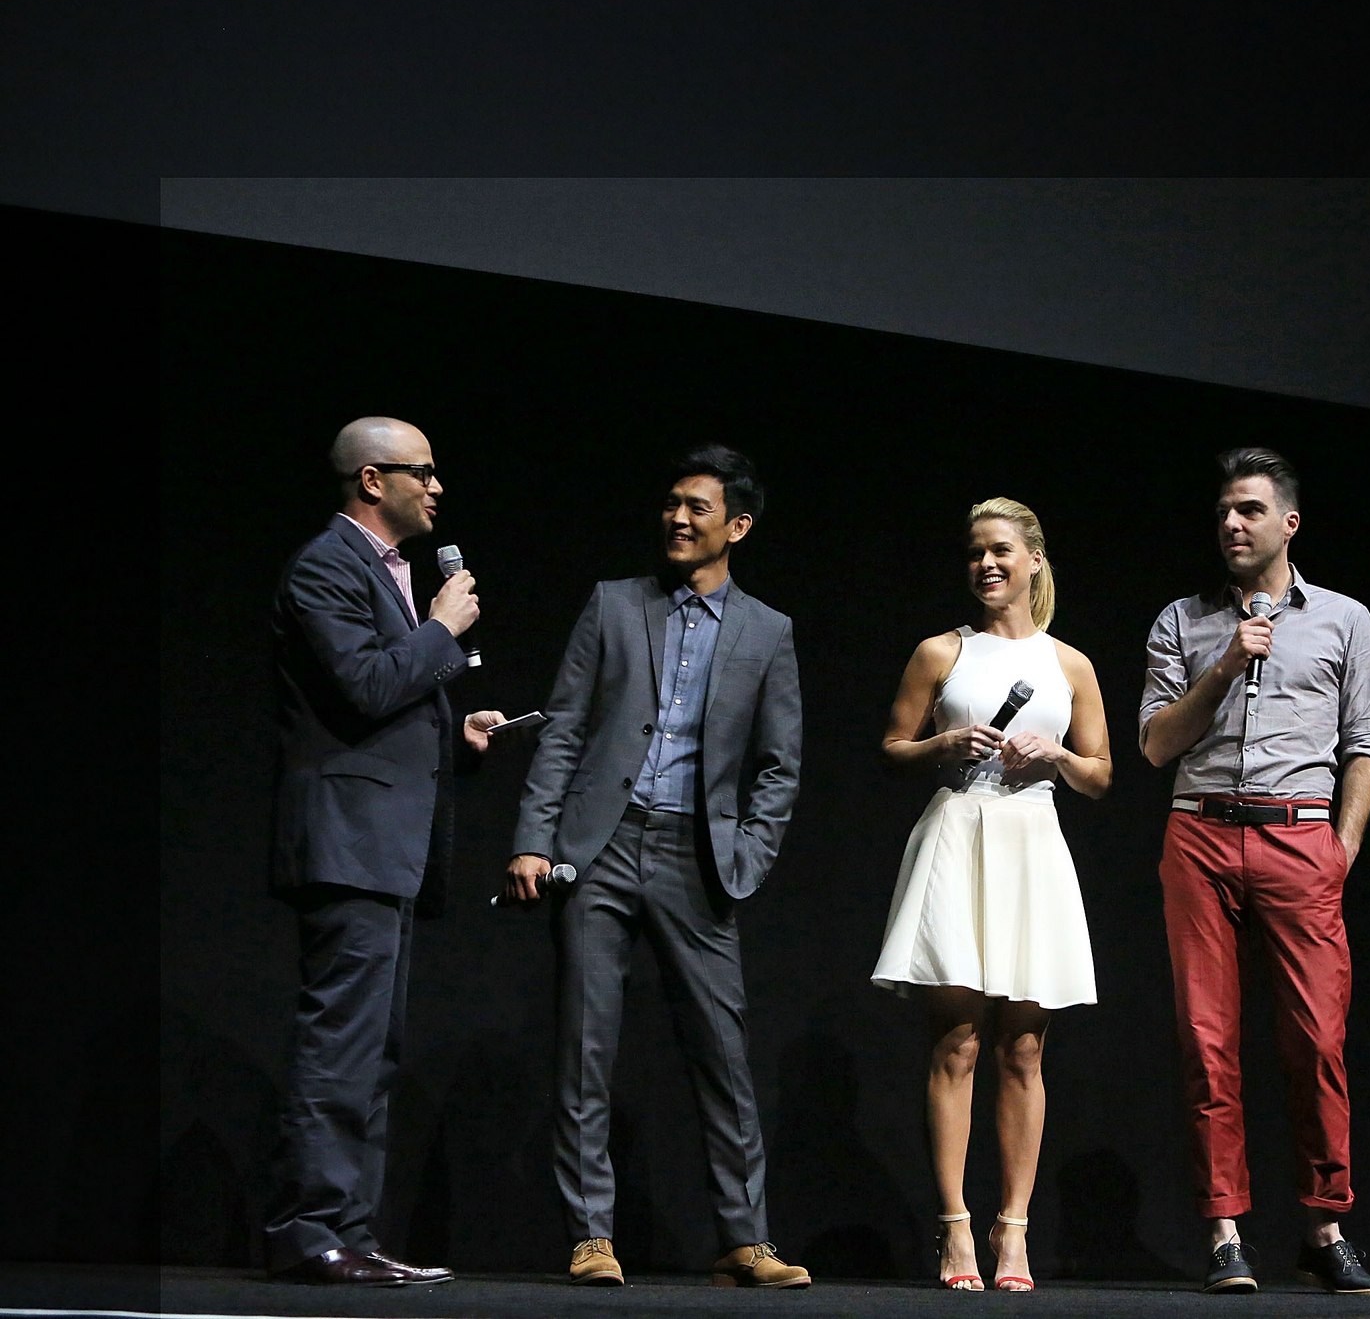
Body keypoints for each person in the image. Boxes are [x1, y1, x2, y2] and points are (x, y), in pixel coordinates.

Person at [503, 443, 810, 1290]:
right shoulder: (614, 604)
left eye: (696, 507)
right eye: (671, 503)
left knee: (722, 1050)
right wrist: (534, 836)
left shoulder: (767, 630)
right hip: (598, 847)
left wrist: (747, 853)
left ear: (737, 526)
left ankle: (745, 1237)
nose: (677, 518)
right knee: (586, 1045)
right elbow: (564, 727)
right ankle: (590, 1235)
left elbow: (780, 764)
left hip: (696, 854)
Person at [1137, 447, 1370, 1297]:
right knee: (1208, 1041)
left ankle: (1325, 1227)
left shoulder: (1345, 619)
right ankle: (1224, 1232)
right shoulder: (1182, 620)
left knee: (1317, 1039)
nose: (1231, 523)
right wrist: (1225, 663)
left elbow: (1367, 742)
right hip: (1201, 833)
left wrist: (1341, 846)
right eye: (1223, 511)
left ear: (1289, 522)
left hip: (1299, 838)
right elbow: (1155, 744)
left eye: (1248, 509)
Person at [265, 416, 505, 1285]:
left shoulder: (384, 568)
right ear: (373, 480)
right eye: (422, 471)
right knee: (341, 1044)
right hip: (348, 843)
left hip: (384, 847)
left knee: (372, 1051)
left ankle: (349, 1231)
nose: (437, 487)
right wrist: (441, 629)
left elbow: (384, 700)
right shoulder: (326, 566)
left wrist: (454, 733)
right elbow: (365, 686)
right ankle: (309, 1229)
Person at [870, 497, 1112, 1293]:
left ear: (1034, 558)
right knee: (958, 1040)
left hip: (1031, 839)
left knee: (1025, 1046)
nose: (987, 564)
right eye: (976, 551)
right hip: (959, 832)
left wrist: (1056, 757)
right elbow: (892, 747)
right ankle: (955, 1229)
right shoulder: (941, 650)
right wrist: (943, 741)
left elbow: (1101, 774)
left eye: (1002, 549)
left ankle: (1013, 1230)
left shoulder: (1069, 663)